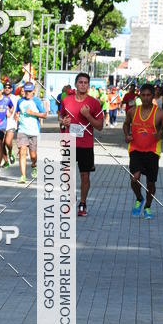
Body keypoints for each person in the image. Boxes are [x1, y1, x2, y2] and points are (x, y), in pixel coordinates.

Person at [124, 82, 163, 219]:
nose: (145, 98)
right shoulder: (133, 111)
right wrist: (127, 135)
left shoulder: (159, 113)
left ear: (153, 96)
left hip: (152, 151)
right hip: (135, 149)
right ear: (140, 95)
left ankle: (147, 207)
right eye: (143, 95)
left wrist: (161, 135)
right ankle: (139, 198)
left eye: (148, 95)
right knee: (135, 179)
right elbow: (126, 124)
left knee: (151, 183)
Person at [60, 71, 103, 216]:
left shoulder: (94, 103)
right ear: (76, 84)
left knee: (85, 176)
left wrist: (87, 115)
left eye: (85, 83)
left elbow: (99, 126)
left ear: (88, 86)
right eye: (80, 82)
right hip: (69, 142)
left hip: (86, 145)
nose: (83, 85)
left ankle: (83, 203)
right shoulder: (67, 101)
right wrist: (63, 121)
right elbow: (61, 117)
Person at [15, 82, 47, 183]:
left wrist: (32, 113)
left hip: (34, 131)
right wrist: (16, 116)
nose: (28, 93)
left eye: (30, 91)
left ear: (33, 91)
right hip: (22, 130)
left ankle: (34, 165)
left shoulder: (37, 101)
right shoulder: (20, 101)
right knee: (22, 151)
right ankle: (23, 176)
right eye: (26, 91)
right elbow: (17, 113)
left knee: (33, 155)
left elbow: (45, 115)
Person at [2, 81, 17, 165]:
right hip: (1, 123)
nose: (7, 89)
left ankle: (10, 153)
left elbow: (19, 108)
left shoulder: (15, 98)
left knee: (7, 142)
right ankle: (6, 161)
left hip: (11, 122)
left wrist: (17, 114)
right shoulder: (0, 98)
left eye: (9, 87)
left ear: (11, 89)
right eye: (5, 87)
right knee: (1, 143)